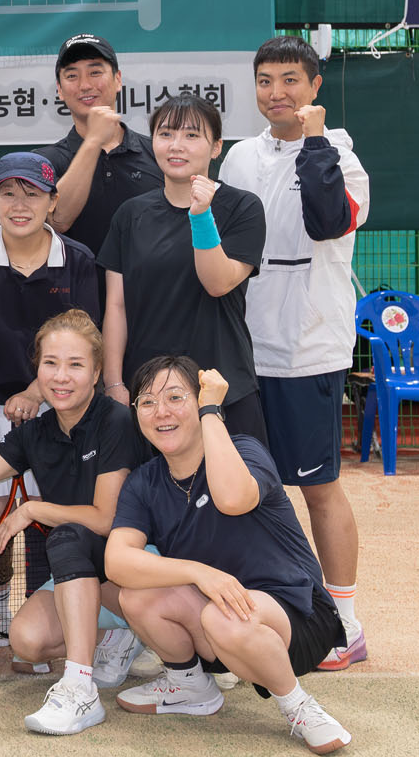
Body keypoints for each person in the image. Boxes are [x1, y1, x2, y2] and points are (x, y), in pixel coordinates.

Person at [106, 357, 352, 756]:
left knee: (223, 617)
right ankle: (189, 686)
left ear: (201, 403)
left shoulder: (244, 450)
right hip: (218, 619)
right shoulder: (144, 481)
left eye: (175, 398)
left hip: (298, 617)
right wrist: (200, 573)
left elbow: (234, 499)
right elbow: (117, 562)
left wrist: (211, 411)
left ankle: (299, 706)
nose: (161, 411)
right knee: (136, 595)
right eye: (147, 402)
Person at [219, 36, 373, 669]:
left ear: (315, 87)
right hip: (241, 353)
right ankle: (257, 615)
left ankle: (346, 623)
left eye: (290, 80)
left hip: (309, 349)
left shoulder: (343, 159)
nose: (276, 92)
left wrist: (314, 143)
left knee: (319, 489)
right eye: (265, 80)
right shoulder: (239, 157)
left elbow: (327, 221)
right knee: (242, 490)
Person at [0, 313, 143, 734]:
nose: (61, 376)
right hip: (83, 569)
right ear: (37, 369)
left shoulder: (115, 421)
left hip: (136, 564)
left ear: (96, 372)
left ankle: (80, 687)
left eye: (76, 365)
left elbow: (105, 519)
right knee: (26, 641)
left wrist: (32, 511)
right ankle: (119, 637)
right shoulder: (37, 432)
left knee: (68, 537)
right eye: (50, 363)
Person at [0, 152, 102, 641]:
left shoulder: (78, 259)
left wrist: (37, 391)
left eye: (32, 194)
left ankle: (52, 610)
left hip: (61, 408)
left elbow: (86, 340)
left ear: (52, 202)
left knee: (53, 512)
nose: (19, 204)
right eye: (8, 193)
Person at [100, 93, 268, 439]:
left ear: (216, 147)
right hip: (149, 394)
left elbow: (217, 283)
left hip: (223, 388)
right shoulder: (130, 214)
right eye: (166, 134)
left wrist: (201, 215)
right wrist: (114, 382)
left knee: (237, 476)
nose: (176, 145)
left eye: (192, 135)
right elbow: (116, 306)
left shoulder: (242, 207)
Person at [33, 35, 163, 264]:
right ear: (60, 90)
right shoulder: (41, 162)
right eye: (72, 76)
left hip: (148, 287)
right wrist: (93, 141)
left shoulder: (159, 153)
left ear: (118, 79)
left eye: (95, 72)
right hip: (73, 287)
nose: (85, 85)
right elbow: (57, 221)